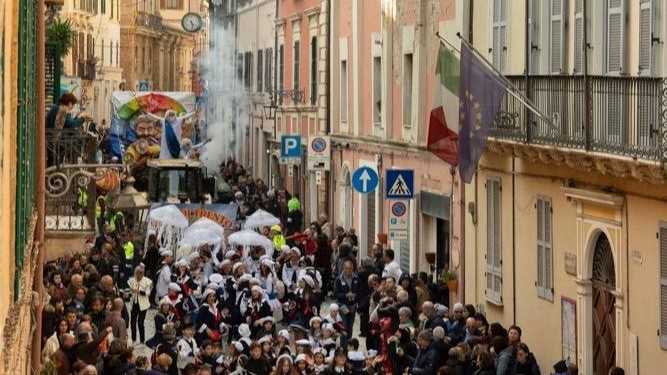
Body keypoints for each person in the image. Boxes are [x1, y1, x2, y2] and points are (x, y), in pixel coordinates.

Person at [334, 259, 360, 348]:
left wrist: (355, 297)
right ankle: (343, 347)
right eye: (347, 268)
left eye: (350, 268)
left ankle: (349, 345)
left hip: (352, 306)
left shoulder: (356, 278)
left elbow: (359, 292)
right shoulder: (338, 279)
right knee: (344, 325)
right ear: (343, 269)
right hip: (343, 306)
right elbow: (336, 294)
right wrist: (346, 295)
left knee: (350, 326)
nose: (348, 270)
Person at [128, 265, 153, 344]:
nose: (138, 275)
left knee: (140, 322)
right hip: (134, 303)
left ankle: (142, 340)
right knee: (132, 322)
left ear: (143, 274)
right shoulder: (132, 280)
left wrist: (139, 291)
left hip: (143, 305)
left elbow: (148, 293)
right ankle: (133, 338)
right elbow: (130, 291)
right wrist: (128, 293)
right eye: (137, 273)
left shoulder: (147, 281)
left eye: (140, 273)